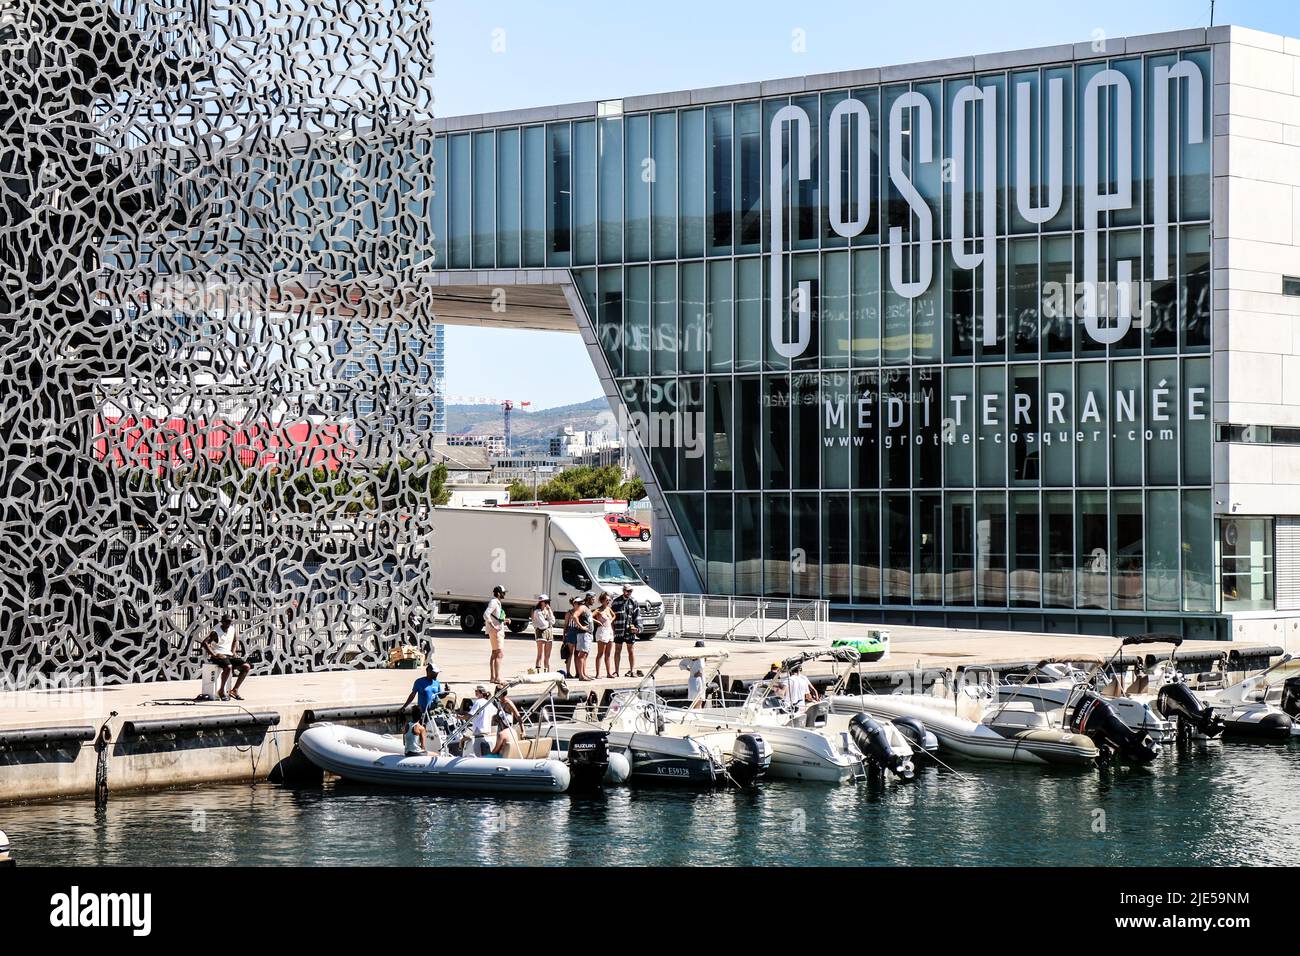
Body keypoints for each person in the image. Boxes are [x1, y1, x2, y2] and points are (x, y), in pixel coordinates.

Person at [201, 613, 251, 701]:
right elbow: (204, 643)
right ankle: (221, 691)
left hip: (228, 655)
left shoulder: (232, 629)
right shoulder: (216, 632)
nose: (228, 624)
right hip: (218, 655)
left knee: (246, 666)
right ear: (222, 622)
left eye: (230, 622)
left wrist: (233, 652)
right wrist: (214, 654)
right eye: (227, 622)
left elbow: (235, 641)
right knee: (228, 667)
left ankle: (234, 690)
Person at [611, 585, 641, 678]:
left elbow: (638, 616)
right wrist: (612, 630)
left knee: (631, 651)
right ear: (623, 591)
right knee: (617, 651)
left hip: (629, 631)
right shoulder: (616, 602)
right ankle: (616, 671)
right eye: (627, 591)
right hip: (619, 631)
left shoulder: (634, 601)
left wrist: (637, 628)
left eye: (630, 591)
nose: (629, 593)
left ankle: (632, 671)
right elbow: (612, 617)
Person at [464, 685, 499, 757]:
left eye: (476, 691)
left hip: (478, 733)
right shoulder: (489, 703)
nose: (475, 692)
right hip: (487, 733)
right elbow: (496, 715)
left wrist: (459, 717)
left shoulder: (478, 702)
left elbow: (470, 716)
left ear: (480, 693)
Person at [484, 585, 509, 684]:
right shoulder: (494, 602)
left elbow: (495, 617)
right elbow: (486, 614)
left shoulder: (496, 602)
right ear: (498, 593)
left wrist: (504, 621)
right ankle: (497, 677)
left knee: (494, 653)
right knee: (499, 654)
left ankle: (493, 677)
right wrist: (492, 625)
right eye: (503, 593)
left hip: (495, 630)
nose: (504, 594)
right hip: (496, 631)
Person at [492, 685, 525, 756]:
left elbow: (518, 716)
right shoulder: (499, 702)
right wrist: (495, 717)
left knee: (504, 748)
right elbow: (498, 716)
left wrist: (523, 731)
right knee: (499, 748)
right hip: (500, 729)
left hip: (507, 730)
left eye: (496, 692)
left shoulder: (508, 703)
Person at [592, 592, 615, 679]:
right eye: (607, 600)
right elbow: (590, 616)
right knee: (600, 653)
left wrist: (611, 621)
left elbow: (614, 615)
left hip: (609, 631)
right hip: (602, 631)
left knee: (608, 654)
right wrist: (597, 621)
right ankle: (598, 673)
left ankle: (609, 673)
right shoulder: (598, 610)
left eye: (609, 600)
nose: (608, 601)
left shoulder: (608, 609)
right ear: (602, 601)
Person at [530, 595, 556, 672]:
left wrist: (550, 611)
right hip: (541, 633)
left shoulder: (547, 610)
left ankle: (547, 671)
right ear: (542, 602)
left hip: (549, 632)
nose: (548, 604)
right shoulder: (537, 612)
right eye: (546, 602)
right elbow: (542, 625)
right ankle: (538, 671)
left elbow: (553, 621)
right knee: (540, 654)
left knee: (547, 655)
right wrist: (549, 622)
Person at [572, 594, 595, 681]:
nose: (594, 601)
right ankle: (581, 675)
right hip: (583, 634)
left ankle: (584, 673)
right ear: (588, 599)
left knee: (585, 654)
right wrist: (581, 626)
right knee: (582, 655)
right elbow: (574, 616)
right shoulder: (582, 607)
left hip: (588, 633)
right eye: (593, 599)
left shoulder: (588, 608)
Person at [680, 640, 708, 707]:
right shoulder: (691, 657)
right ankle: (696, 715)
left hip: (701, 680)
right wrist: (689, 669)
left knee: (700, 701)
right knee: (696, 701)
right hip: (695, 680)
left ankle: (698, 715)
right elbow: (681, 664)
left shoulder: (703, 657)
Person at [559, 597, 581, 678]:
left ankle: (578, 672)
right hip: (571, 632)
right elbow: (565, 625)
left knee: (577, 654)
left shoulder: (581, 612)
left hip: (579, 632)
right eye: (578, 603)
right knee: (570, 653)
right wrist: (564, 636)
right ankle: (568, 672)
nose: (579, 605)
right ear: (574, 604)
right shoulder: (569, 613)